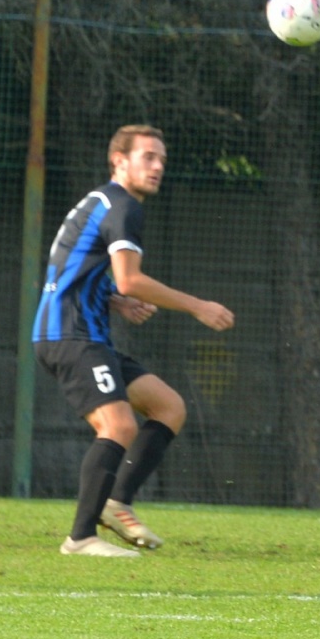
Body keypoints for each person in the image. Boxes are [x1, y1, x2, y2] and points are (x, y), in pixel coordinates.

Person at [33, 125, 235, 556]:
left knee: (168, 406)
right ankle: (82, 537)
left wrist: (114, 301)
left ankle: (116, 502)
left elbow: (72, 263)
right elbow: (131, 278)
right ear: (119, 161)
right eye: (148, 157)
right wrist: (198, 306)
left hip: (82, 332)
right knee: (119, 426)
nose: (158, 166)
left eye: (161, 158)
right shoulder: (122, 206)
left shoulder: (101, 201)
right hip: (71, 336)